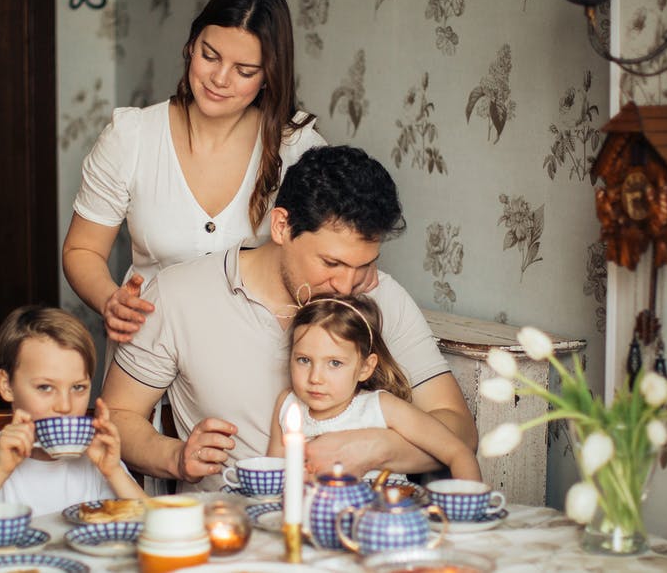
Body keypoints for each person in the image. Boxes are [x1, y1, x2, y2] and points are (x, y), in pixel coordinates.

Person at [102, 145, 479, 493]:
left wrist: (378, 447)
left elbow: (458, 429)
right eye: (331, 263)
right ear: (281, 226)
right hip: (237, 532)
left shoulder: (382, 297)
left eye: (364, 264)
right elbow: (118, 414)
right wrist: (176, 458)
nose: (347, 286)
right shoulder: (177, 294)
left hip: (362, 529)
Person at [62, 0, 338, 351]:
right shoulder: (132, 137)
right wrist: (110, 300)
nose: (219, 79)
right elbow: (83, 250)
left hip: (256, 358)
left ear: (268, 77)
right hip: (149, 350)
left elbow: (329, 260)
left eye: (244, 70)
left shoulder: (298, 149)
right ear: (191, 45)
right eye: (210, 56)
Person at [0, 306, 145, 549]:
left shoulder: (98, 464)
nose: (65, 406)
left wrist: (114, 472)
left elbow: (161, 529)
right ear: (6, 385)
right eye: (45, 387)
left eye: (78, 388)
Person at [265, 294, 481, 482]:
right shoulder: (287, 405)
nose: (315, 378)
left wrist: (469, 511)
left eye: (335, 363)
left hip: (380, 519)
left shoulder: (382, 407)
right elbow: (274, 475)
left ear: (365, 368)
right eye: (304, 360)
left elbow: (458, 452)